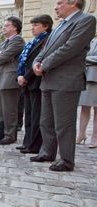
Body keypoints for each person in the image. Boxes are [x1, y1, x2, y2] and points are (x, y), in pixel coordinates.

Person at [32, 0, 96, 171]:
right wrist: (37, 62)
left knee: (64, 124)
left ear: (73, 2)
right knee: (46, 121)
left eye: (60, 3)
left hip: (67, 80)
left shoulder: (85, 20)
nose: (56, 6)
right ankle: (47, 152)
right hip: (48, 79)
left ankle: (66, 160)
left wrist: (44, 65)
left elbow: (70, 48)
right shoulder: (60, 25)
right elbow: (46, 49)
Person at [16, 15, 53, 154]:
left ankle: (34, 145)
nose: (32, 28)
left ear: (46, 26)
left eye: (36, 25)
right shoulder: (34, 41)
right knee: (29, 115)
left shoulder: (47, 39)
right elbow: (25, 60)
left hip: (36, 81)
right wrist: (20, 75)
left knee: (36, 115)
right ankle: (27, 142)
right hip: (27, 82)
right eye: (32, 25)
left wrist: (26, 76)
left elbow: (39, 60)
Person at [0, 16, 25, 144]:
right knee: (1, 109)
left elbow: (2, 57)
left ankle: (10, 135)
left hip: (9, 78)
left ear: (15, 27)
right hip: (0, 77)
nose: (4, 27)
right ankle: (2, 132)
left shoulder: (17, 40)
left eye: (7, 25)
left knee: (10, 109)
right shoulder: (3, 42)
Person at [77, 36, 97, 149]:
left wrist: (85, 58)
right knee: (84, 107)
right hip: (86, 76)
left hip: (95, 77)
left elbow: (82, 56)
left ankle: (95, 137)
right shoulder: (91, 39)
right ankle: (81, 134)